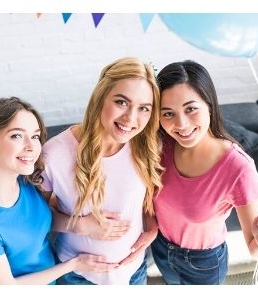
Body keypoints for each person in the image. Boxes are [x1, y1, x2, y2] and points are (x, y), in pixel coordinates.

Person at [0, 97, 117, 285]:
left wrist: (81, 225)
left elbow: (36, 221)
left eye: (35, 136)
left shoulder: (25, 181)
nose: (32, 147)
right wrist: (74, 264)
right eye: (16, 136)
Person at [151, 60, 258, 285]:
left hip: (202, 264)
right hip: (160, 248)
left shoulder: (239, 168)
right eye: (168, 113)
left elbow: (255, 251)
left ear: (209, 105)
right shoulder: (161, 146)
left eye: (191, 109)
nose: (181, 124)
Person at [41, 57, 162, 285]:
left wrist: (152, 229)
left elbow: (145, 204)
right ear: (100, 97)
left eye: (144, 108)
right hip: (78, 277)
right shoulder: (54, 154)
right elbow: (33, 218)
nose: (130, 118)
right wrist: (80, 225)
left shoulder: (146, 145)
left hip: (132, 272)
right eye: (121, 102)